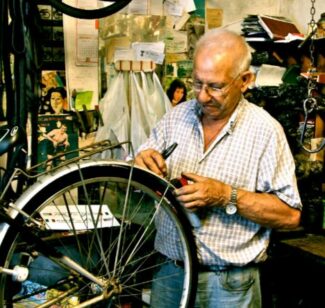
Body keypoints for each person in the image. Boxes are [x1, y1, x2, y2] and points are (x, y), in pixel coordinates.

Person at [134, 29, 302, 307]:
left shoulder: (266, 132)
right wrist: (141, 164)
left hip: (229, 287)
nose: (202, 96)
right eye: (197, 83)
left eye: (215, 86)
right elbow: (140, 174)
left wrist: (226, 195)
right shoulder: (175, 118)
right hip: (170, 275)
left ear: (245, 80)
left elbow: (290, 216)